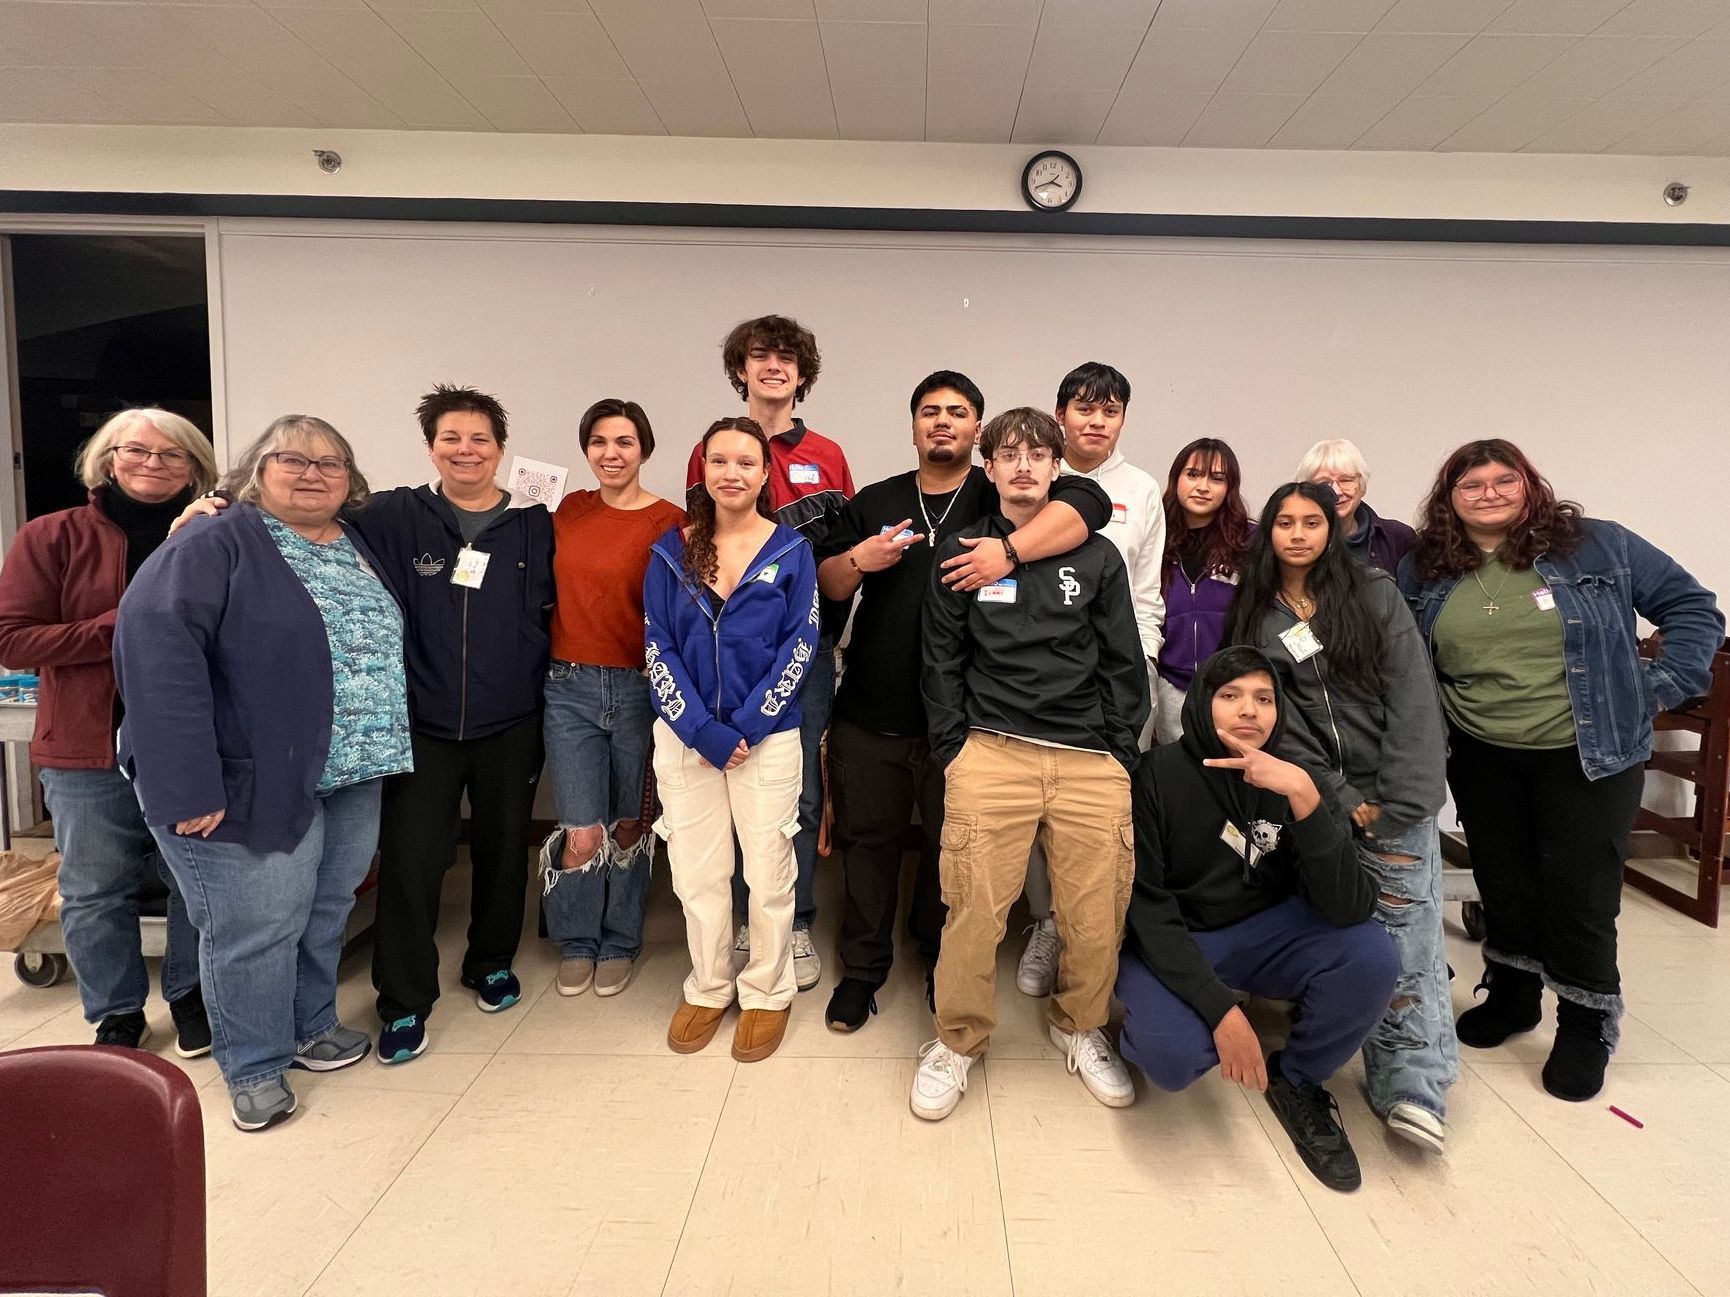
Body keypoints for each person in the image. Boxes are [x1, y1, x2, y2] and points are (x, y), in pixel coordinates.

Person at [172, 385, 554, 1065]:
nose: (466, 451)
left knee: (503, 854)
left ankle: (490, 962)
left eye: (480, 439)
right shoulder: (394, 514)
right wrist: (216, 507)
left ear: (500, 447)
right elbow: (295, 510)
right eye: (451, 439)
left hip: (511, 721)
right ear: (431, 446)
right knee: (412, 864)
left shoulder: (534, 519)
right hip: (419, 727)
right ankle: (404, 1002)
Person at [1400, 439, 1722, 1101]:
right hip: (1481, 749)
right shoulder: (1428, 567)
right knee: (1504, 878)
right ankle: (1515, 992)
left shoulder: (1597, 545)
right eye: (1471, 485)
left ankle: (1585, 1021)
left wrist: (1660, 685)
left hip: (1588, 750)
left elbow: (1695, 608)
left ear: (1527, 484)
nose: (1487, 493)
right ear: (1449, 497)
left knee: (1580, 890)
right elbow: (1403, 648)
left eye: (1501, 480)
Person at [114, 417, 411, 1131]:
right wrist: (186, 783)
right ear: (255, 469)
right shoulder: (213, 540)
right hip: (248, 780)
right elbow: (156, 660)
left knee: (325, 909)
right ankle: (253, 1063)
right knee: (254, 927)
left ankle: (311, 1026)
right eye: (294, 459)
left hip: (351, 771)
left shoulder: (354, 540)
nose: (314, 473)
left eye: (331, 462)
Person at [815, 371, 1110, 1033]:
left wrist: (1006, 550)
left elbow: (1089, 503)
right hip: (870, 712)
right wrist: (860, 559)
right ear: (914, 425)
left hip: (967, 719)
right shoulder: (878, 498)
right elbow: (829, 585)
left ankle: (935, 960)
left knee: (954, 853)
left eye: (957, 412)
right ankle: (862, 969)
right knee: (869, 846)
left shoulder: (1001, 488)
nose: (942, 421)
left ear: (979, 431)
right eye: (929, 411)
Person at [912, 408, 1148, 1122]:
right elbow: (941, 661)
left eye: (1036, 455)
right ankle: (956, 1041)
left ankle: (1079, 1027)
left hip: (1087, 758)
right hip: (991, 749)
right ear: (988, 468)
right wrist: (956, 750)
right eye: (1007, 454)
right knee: (973, 911)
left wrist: (1118, 751)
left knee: (1096, 913)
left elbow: (1121, 660)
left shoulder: (1097, 555)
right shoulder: (963, 550)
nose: (1021, 465)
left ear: (1056, 468)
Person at [1225, 480, 1456, 1152]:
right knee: (1347, 926)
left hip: (1397, 793)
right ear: (1267, 532)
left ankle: (1413, 1081)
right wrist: (1337, 794)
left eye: (1311, 522)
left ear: (1334, 527)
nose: (1297, 534)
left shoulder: (1375, 593)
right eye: (1284, 523)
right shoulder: (1257, 613)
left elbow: (1414, 699)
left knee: (1407, 937)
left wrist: (1404, 797)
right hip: (1321, 798)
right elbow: (1279, 721)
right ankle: (1334, 1046)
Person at [1116, 646, 1398, 1193]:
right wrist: (1221, 1011)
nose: (1249, 711)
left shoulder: (1298, 778)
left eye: (1264, 698)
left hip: (1266, 931)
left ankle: (1298, 1080)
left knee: (1371, 955)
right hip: (1178, 938)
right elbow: (1146, 908)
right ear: (1202, 702)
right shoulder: (1153, 775)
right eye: (1231, 695)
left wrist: (1304, 798)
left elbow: (1350, 907)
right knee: (1171, 1061)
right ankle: (1151, 1020)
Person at [0, 408, 216, 1053]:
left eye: (173, 454)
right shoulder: (52, 536)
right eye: (137, 450)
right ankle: (116, 1013)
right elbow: (13, 641)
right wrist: (125, 623)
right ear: (107, 457)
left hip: (188, 746)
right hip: (87, 747)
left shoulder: (211, 538)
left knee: (195, 885)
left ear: (195, 467)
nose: (154, 463)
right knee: (95, 889)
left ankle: (190, 998)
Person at [684, 316, 851, 992]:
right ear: (741, 369)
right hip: (726, 658)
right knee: (723, 793)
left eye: (788, 357)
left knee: (799, 797)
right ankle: (741, 926)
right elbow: (697, 546)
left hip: (803, 656)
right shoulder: (712, 448)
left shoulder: (829, 455)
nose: (774, 366)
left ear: (803, 374)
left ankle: (796, 919)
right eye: (761, 356)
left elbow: (840, 557)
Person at [649, 417, 819, 1064]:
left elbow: (800, 645)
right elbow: (657, 646)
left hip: (767, 738)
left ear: (764, 473)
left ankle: (768, 992)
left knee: (769, 872)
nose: (731, 472)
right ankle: (709, 985)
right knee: (698, 872)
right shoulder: (671, 551)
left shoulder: (791, 551)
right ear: (702, 470)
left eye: (745, 461)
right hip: (688, 737)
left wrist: (746, 726)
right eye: (718, 460)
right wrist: (702, 729)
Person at [1016, 362, 1167, 1000]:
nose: (1096, 420)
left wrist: (1142, 669)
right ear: (1061, 415)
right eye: (1083, 408)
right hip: (1043, 671)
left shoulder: (1143, 488)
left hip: (1118, 674)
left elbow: (1146, 593)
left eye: (1109, 411)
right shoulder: (1035, 476)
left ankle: (1097, 929)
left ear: (1123, 419)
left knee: (1104, 810)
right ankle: (1047, 924)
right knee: (1032, 804)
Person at [538, 400, 683, 997]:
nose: (611, 454)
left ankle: (620, 939)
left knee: (629, 823)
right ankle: (577, 940)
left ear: (644, 449)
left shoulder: (671, 521)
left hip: (639, 687)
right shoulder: (566, 511)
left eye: (624, 442)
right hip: (568, 684)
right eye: (599, 442)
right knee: (581, 828)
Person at [1154, 438, 1255, 744]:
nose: (1203, 486)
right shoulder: (1154, 533)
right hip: (1169, 683)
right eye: (1193, 474)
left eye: (1216, 478)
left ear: (1229, 487)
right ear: (1177, 479)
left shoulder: (1249, 540)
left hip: (1231, 686)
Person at [1298, 438, 1414, 576]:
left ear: (1362, 486)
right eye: (1323, 483)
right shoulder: (1294, 540)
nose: (1336, 492)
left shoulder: (1399, 537)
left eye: (1346, 480)